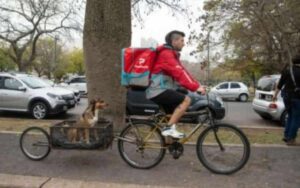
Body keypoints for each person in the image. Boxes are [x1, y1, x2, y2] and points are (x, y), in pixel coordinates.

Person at [146, 30, 206, 139]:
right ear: (174, 41)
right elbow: (179, 73)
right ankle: (168, 129)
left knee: (173, 116)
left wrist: (197, 84)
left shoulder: (171, 54)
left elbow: (184, 71)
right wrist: (196, 87)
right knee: (186, 100)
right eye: (182, 41)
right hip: (157, 90)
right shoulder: (166, 54)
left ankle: (170, 144)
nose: (184, 43)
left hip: (161, 89)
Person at [273, 54, 300, 145]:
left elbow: (280, 85)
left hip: (286, 97)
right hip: (297, 98)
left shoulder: (287, 71)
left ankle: (286, 136)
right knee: (296, 118)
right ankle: (291, 139)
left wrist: (275, 95)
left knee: (290, 116)